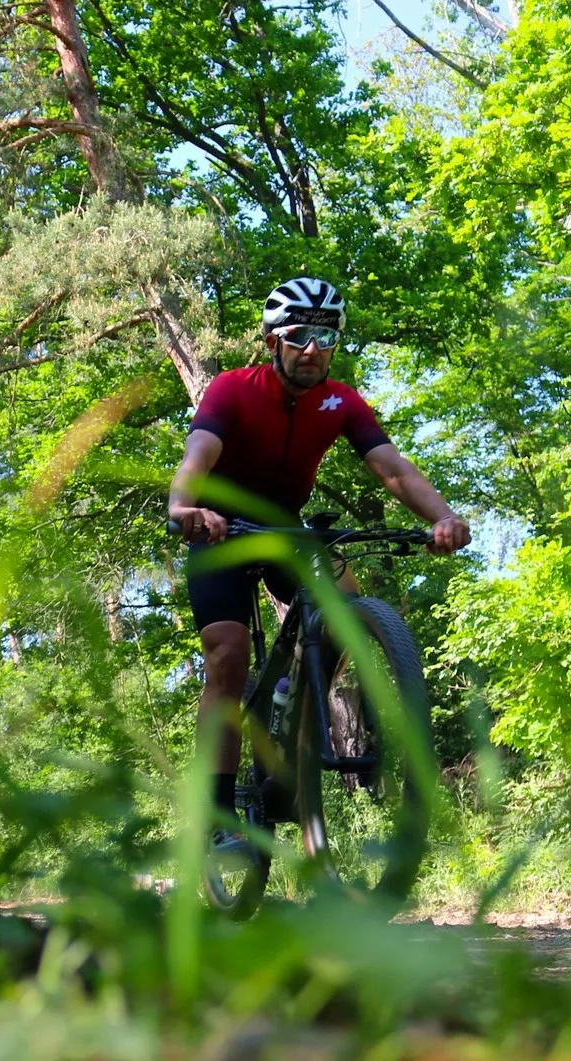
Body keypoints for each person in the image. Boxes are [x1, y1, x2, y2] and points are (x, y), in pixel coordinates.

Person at [168, 276, 470, 854]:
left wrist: (443, 517)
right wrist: (184, 507)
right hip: (220, 530)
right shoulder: (232, 390)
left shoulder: (341, 401)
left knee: (348, 609)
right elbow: (196, 456)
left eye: (325, 337)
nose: (312, 348)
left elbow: (393, 469)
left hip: (284, 527)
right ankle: (216, 815)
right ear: (272, 342)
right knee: (227, 656)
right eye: (299, 335)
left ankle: (293, 701)